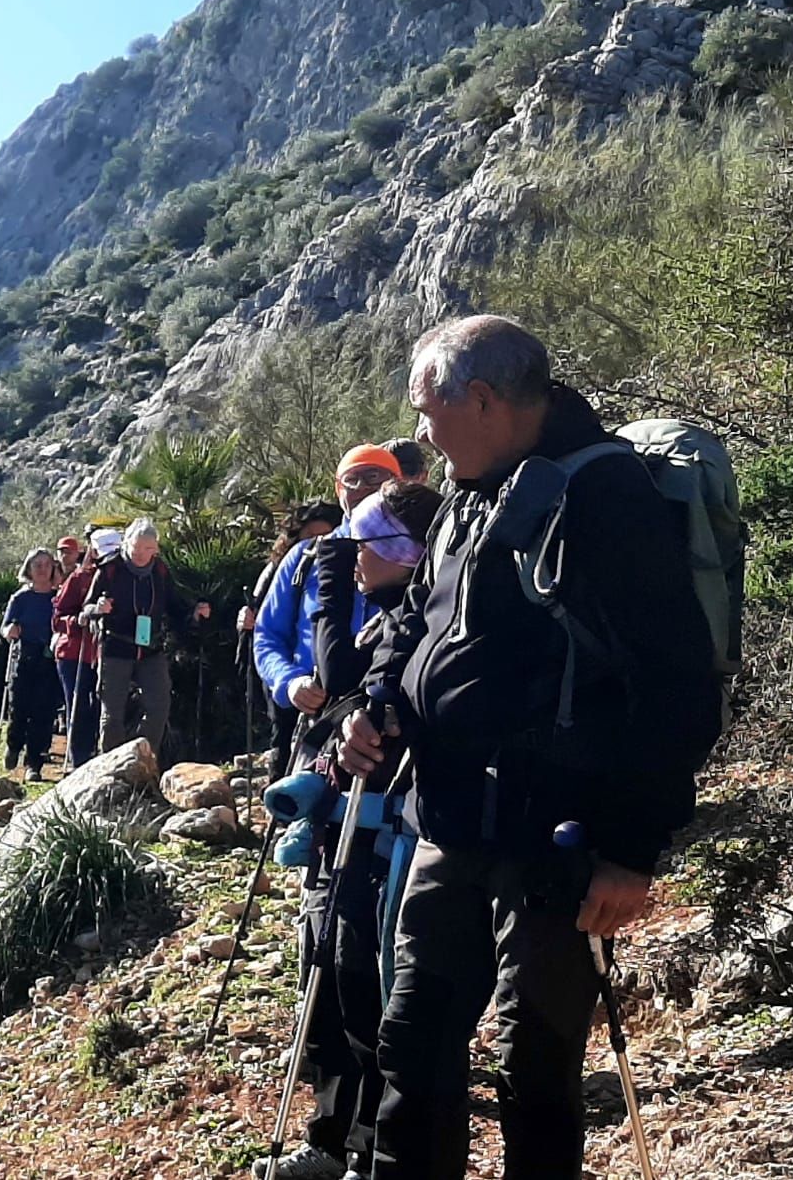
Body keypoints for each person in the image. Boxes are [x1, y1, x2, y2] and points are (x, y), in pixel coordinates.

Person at [337, 315, 723, 1180]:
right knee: (413, 1044)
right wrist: (378, 700)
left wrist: (630, 848)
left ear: (482, 399)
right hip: (448, 817)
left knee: (536, 1067)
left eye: (429, 410)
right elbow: (416, 620)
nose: (421, 432)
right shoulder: (469, 492)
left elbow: (676, 683)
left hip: (556, 840)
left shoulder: (604, 495)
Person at [246, 445, 404, 1180]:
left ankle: (369, 1140)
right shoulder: (307, 560)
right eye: (354, 479)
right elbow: (268, 638)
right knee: (322, 947)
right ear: (337, 487)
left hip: (381, 778)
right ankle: (329, 1132)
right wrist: (288, 683)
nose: (363, 488)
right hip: (320, 754)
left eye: (378, 479)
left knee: (366, 962)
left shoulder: (407, 554)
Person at [81, 519, 211, 756]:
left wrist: (194, 613)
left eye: (148, 548)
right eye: (136, 546)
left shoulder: (160, 571)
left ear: (156, 549)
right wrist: (98, 608)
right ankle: (109, 767)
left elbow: (174, 606)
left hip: (151, 648)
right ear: (126, 543)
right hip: (116, 648)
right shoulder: (110, 569)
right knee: (112, 715)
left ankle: (142, 759)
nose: (141, 553)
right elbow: (86, 608)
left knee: (159, 708)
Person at [240, 501, 345, 784]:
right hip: (288, 674)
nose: (320, 542)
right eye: (310, 536)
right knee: (283, 738)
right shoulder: (291, 565)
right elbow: (266, 621)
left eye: (326, 534)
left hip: (328, 689)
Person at [53, 528, 119, 770]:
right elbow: (57, 618)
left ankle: (95, 754)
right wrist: (77, 620)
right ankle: (78, 760)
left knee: (100, 704)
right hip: (75, 652)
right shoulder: (79, 578)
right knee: (79, 703)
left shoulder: (123, 577)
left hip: (106, 652)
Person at [2, 549, 65, 781]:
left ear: (53, 568)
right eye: (37, 565)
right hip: (24, 658)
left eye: (47, 565)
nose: (42, 569)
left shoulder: (59, 598)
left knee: (44, 712)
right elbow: (5, 628)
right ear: (28, 568)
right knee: (18, 708)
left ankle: (34, 764)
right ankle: (14, 745)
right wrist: (10, 630)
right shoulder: (20, 599)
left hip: (49, 660)